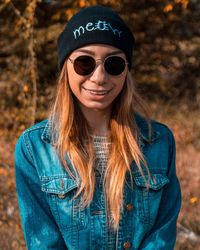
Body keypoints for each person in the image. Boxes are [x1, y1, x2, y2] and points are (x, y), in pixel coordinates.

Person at [15, 5, 181, 250]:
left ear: (126, 71)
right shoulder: (34, 148)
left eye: (113, 64)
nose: (99, 77)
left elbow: (161, 236)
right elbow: (44, 242)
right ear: (66, 67)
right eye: (85, 63)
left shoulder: (159, 141)